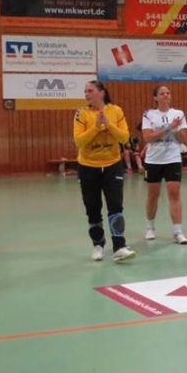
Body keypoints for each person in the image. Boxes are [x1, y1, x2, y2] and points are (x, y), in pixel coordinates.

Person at [73, 80, 135, 262]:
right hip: (88, 166)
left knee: (115, 205)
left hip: (112, 165)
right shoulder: (81, 113)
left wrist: (108, 124)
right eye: (85, 91)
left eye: (90, 90)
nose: (86, 94)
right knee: (92, 207)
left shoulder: (116, 111)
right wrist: (95, 127)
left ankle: (119, 246)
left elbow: (124, 137)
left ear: (101, 93)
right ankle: (98, 245)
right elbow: (79, 141)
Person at [141, 85, 187, 244]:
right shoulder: (149, 114)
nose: (166, 95)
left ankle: (178, 232)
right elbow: (148, 137)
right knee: (153, 195)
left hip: (172, 158)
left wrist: (176, 129)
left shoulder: (178, 114)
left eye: (168, 93)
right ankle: (150, 227)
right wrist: (169, 127)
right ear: (155, 98)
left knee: (174, 193)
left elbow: (184, 139)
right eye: (162, 93)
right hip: (153, 159)